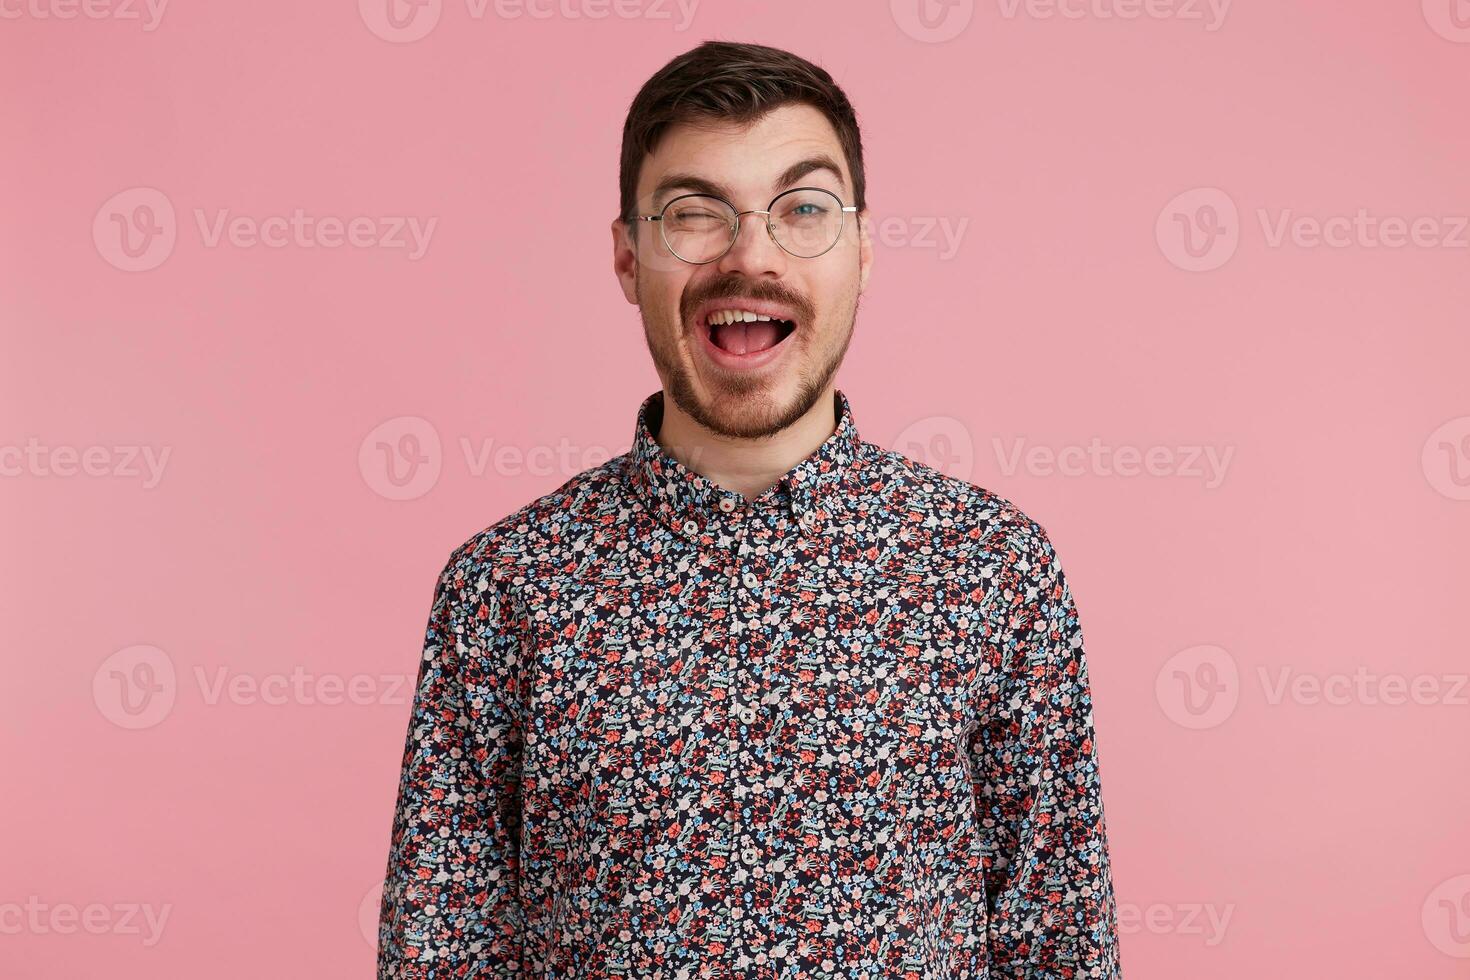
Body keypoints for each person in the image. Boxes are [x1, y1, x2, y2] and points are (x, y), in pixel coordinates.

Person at [378, 39, 1122, 979]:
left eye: (803, 209)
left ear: (861, 249)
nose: (750, 256)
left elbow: (1061, 948)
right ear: (624, 255)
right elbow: (441, 953)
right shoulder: (503, 589)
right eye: (693, 214)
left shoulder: (992, 568)